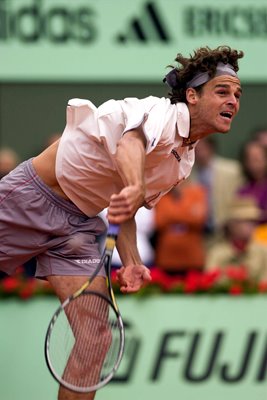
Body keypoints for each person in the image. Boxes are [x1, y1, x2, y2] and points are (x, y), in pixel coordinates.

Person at [0, 45, 243, 400]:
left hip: (76, 229)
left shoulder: (182, 163)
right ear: (192, 96)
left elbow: (128, 204)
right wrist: (136, 184)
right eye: (222, 91)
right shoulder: (160, 112)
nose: (233, 101)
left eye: (237, 94)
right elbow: (131, 142)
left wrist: (132, 261)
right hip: (29, 200)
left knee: (95, 338)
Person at [191, 136, 243, 244]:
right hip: (199, 232)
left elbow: (241, 197)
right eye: (195, 149)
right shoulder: (186, 174)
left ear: (211, 148)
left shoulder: (232, 170)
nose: (200, 153)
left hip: (226, 229)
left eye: (202, 148)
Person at [154, 178, 208, 276]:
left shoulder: (197, 192)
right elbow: (159, 222)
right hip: (167, 259)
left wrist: (170, 216)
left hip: (192, 258)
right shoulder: (160, 196)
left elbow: (199, 219)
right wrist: (187, 212)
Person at [205, 197, 267, 281]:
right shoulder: (217, 254)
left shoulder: (263, 252)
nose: (251, 226)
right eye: (245, 221)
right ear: (232, 224)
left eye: (253, 221)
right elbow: (210, 281)